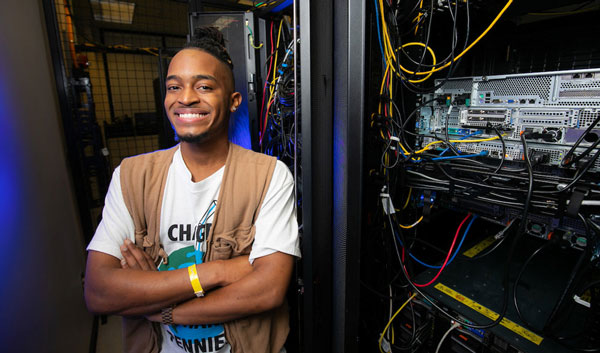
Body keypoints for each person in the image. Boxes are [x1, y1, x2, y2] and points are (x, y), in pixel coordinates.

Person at [84, 27, 300, 353]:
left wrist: (162, 308)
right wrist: (220, 272)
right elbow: (99, 293)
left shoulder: (269, 176)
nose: (185, 97)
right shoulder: (132, 176)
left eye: (204, 86)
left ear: (233, 101)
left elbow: (267, 290)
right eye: (174, 86)